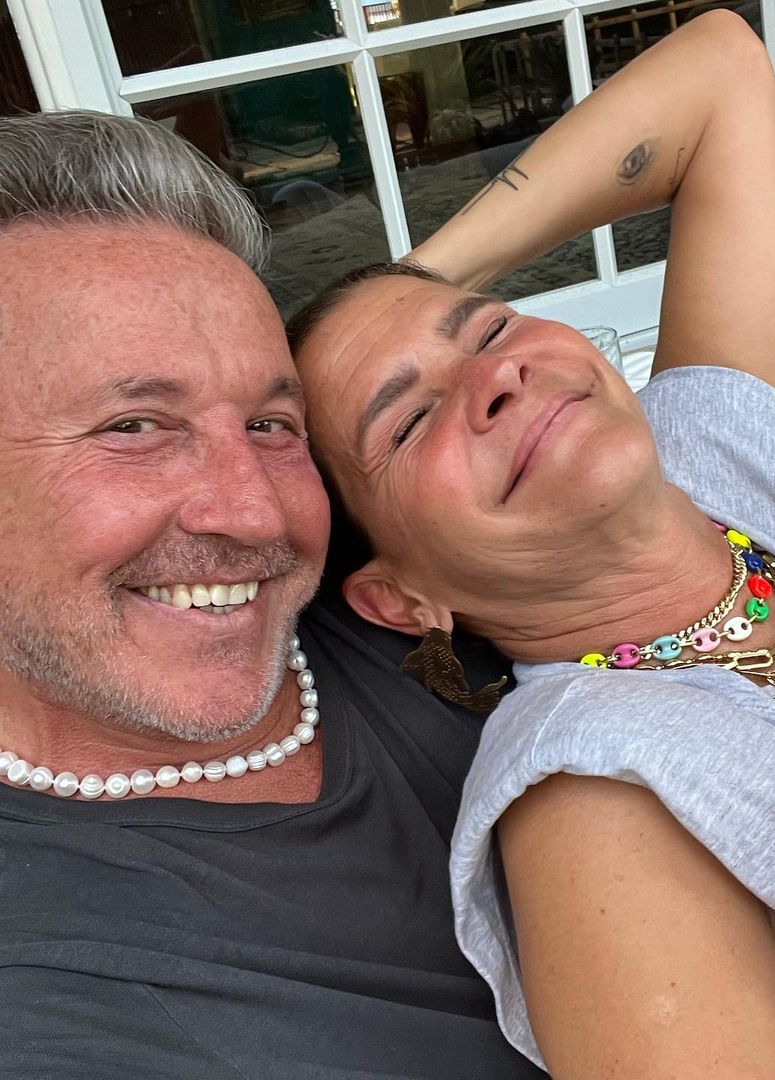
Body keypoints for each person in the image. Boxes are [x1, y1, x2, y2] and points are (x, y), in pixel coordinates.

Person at [290, 13, 775, 1079]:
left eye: (491, 328)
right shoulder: (602, 797)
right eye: (410, 420)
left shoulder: (719, 435)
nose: (496, 377)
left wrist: (388, 294)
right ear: (403, 598)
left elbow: (717, 69)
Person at [0, 111, 544, 1079]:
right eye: (134, 426)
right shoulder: (52, 1001)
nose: (256, 516)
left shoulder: (386, 568)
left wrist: (395, 306)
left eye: (270, 422)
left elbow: (715, 85)